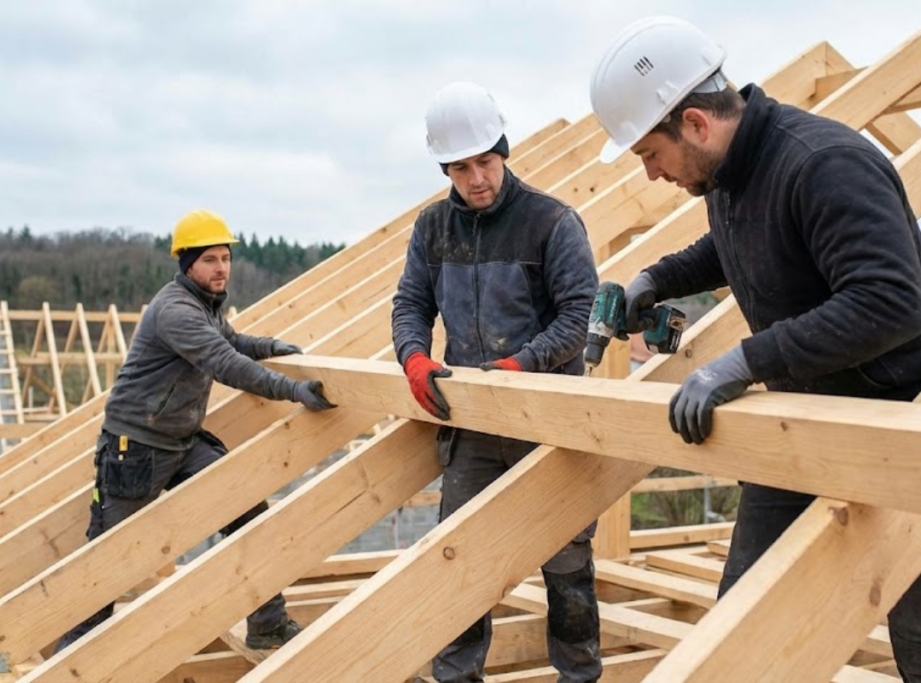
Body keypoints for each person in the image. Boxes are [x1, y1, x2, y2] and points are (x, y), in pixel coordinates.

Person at [590, 16, 921, 679]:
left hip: (898, 420)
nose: (652, 174)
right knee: (743, 627)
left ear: (694, 122)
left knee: (915, 625)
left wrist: (747, 360)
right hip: (807, 417)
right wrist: (657, 280)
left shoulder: (824, 164)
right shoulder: (734, 176)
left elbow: (892, 301)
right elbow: (735, 243)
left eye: (650, 154)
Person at [392, 82, 601, 683]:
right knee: (462, 556)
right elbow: (410, 302)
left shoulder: (551, 221)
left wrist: (523, 365)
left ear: (503, 151)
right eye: (461, 167)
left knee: (565, 559)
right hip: (476, 423)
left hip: (548, 421)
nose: (476, 177)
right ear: (446, 167)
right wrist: (413, 356)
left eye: (485, 161)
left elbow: (577, 313)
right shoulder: (433, 228)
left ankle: (579, 676)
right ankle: (457, 677)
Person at [56, 209, 336, 652]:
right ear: (187, 264)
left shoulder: (204, 304)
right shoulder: (175, 310)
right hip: (136, 448)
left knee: (249, 515)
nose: (221, 267)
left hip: (182, 443)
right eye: (209, 259)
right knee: (110, 559)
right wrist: (293, 389)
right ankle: (72, 659)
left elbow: (233, 342)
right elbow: (224, 363)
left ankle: (268, 624)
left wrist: (269, 347)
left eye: (225, 257)